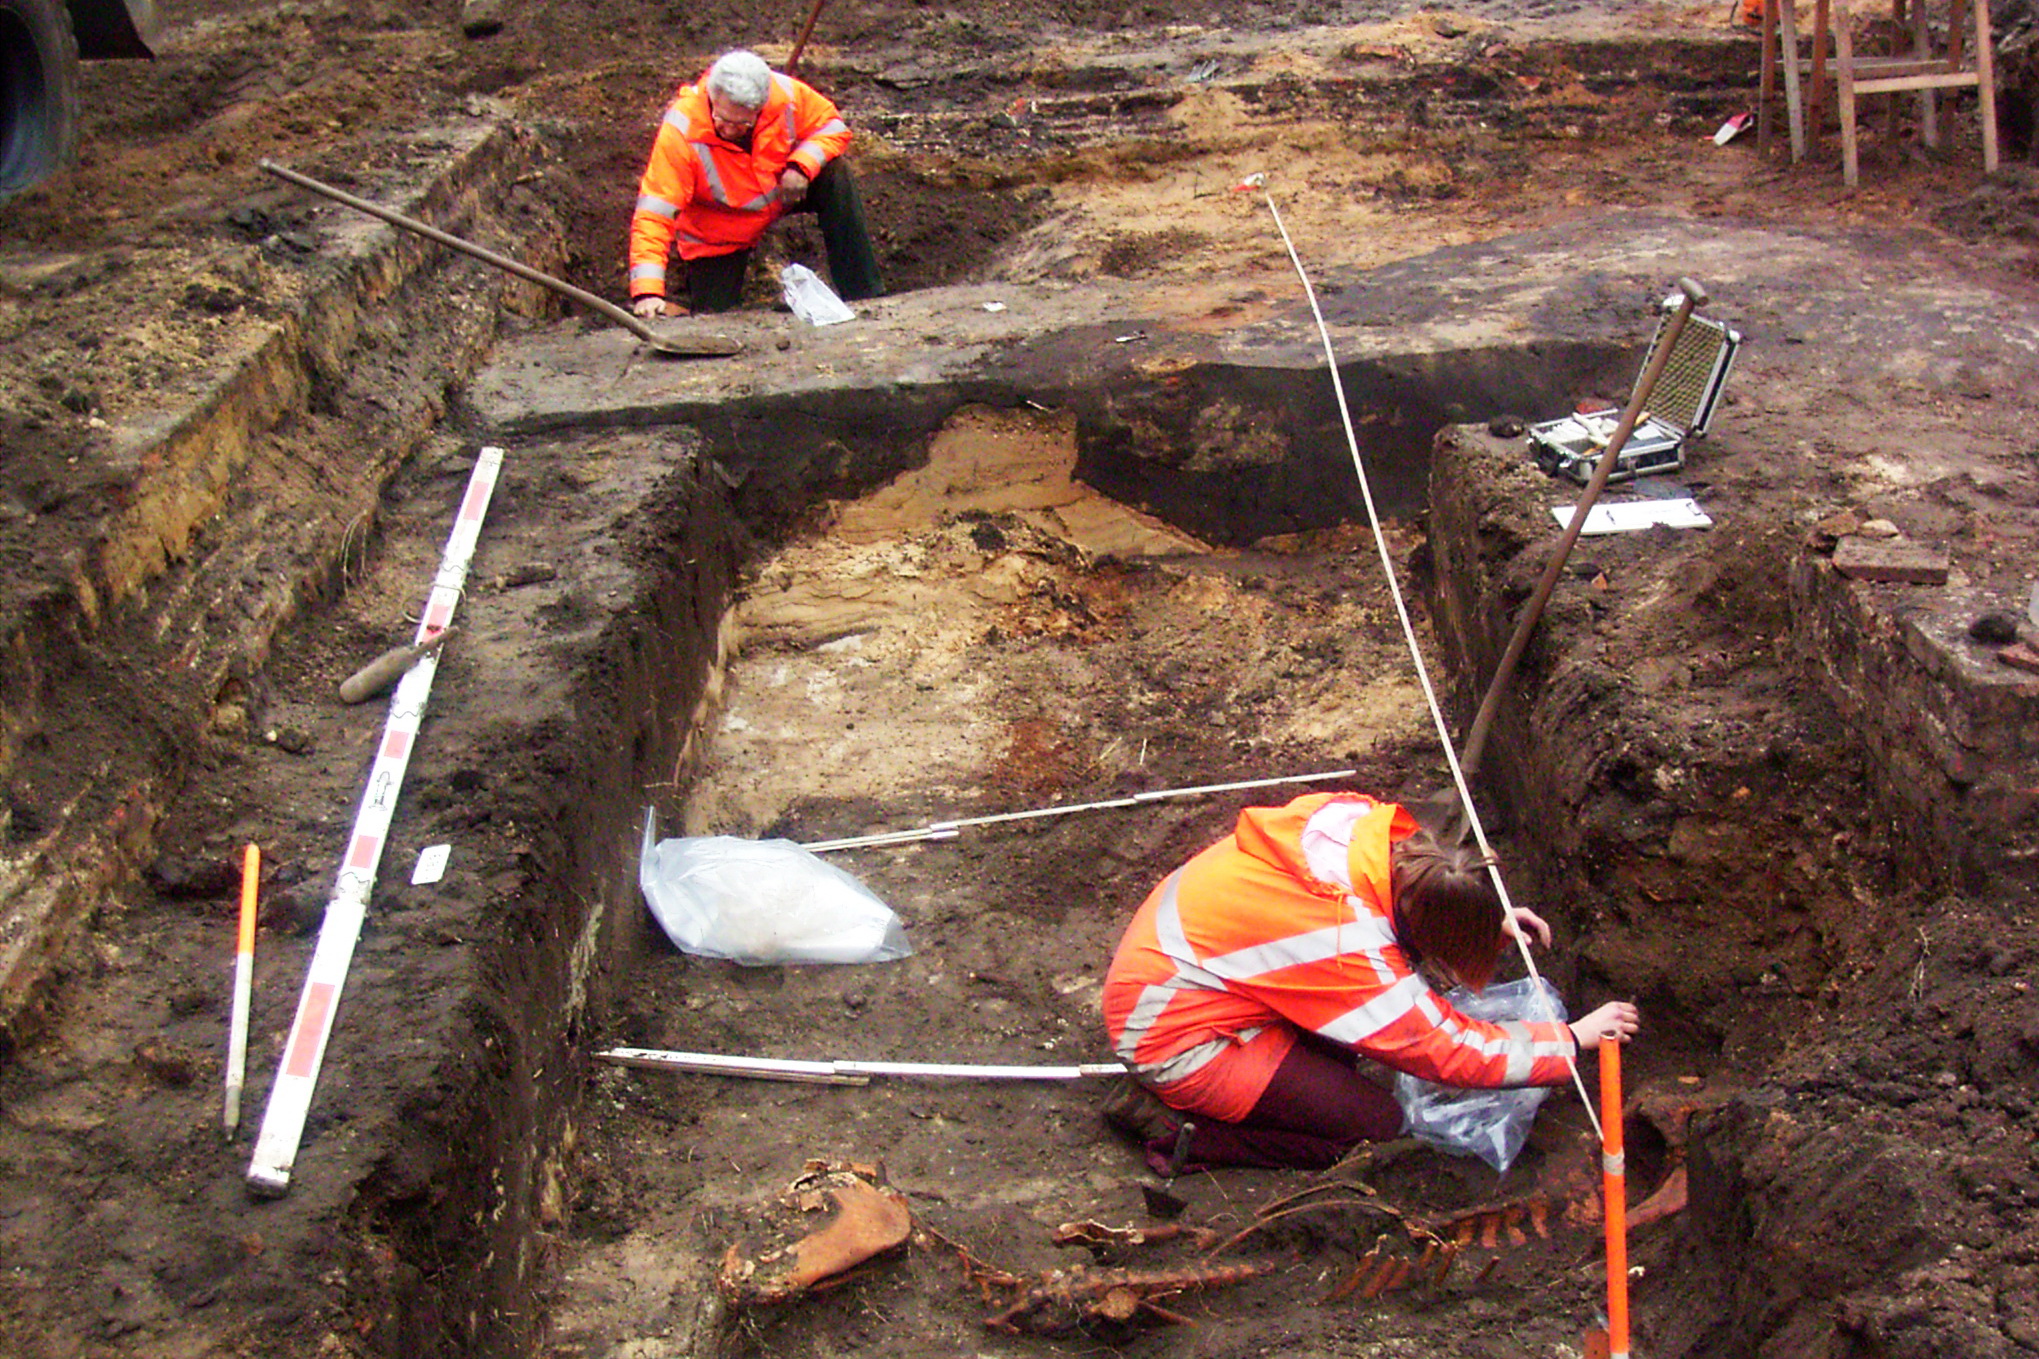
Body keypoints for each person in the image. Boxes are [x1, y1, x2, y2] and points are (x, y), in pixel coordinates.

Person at [1100, 791, 1639, 1173]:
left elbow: (1424, 905)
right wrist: (1569, 1042)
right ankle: (1187, 1137)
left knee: (1348, 1056)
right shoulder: (1340, 942)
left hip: (1187, 975)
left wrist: (1478, 920)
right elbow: (1444, 1048)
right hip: (1172, 1038)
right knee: (1375, 1124)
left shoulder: (1364, 826)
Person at [627, 49, 884, 317]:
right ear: (713, 98)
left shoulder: (785, 96)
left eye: (743, 124)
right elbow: (655, 212)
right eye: (723, 120)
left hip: (778, 194)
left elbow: (831, 126)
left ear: (760, 108)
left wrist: (801, 166)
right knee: (713, 319)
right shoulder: (682, 128)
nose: (729, 130)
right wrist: (647, 291)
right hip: (719, 232)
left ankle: (864, 295)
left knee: (835, 173)